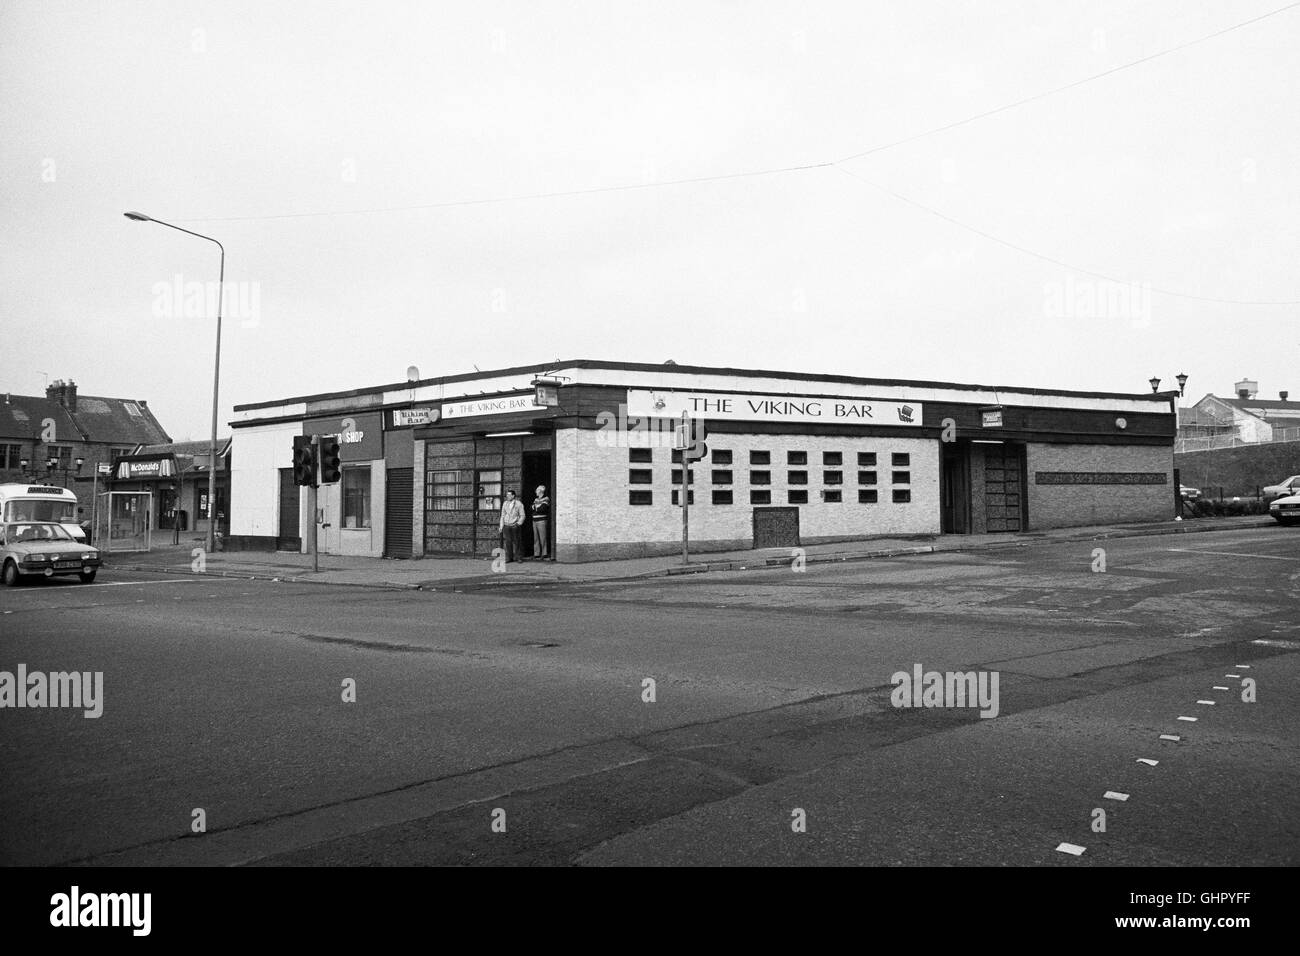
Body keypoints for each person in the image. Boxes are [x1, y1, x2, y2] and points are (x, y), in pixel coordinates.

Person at [499, 489, 525, 563]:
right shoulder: (505, 503)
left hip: (515, 525)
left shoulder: (518, 504)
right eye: (507, 495)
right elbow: (502, 515)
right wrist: (501, 526)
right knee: (508, 542)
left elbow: (522, 515)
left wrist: (518, 524)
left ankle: (518, 557)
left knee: (517, 542)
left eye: (509, 495)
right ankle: (509, 558)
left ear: (513, 496)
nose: (508, 496)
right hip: (506, 525)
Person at [531, 485, 551, 560]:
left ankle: (544, 553)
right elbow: (531, 507)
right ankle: (537, 554)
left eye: (537, 490)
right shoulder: (536, 499)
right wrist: (537, 507)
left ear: (540, 491)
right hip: (535, 520)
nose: (536, 492)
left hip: (542, 520)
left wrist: (536, 507)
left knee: (543, 537)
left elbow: (543, 508)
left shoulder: (546, 499)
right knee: (536, 538)